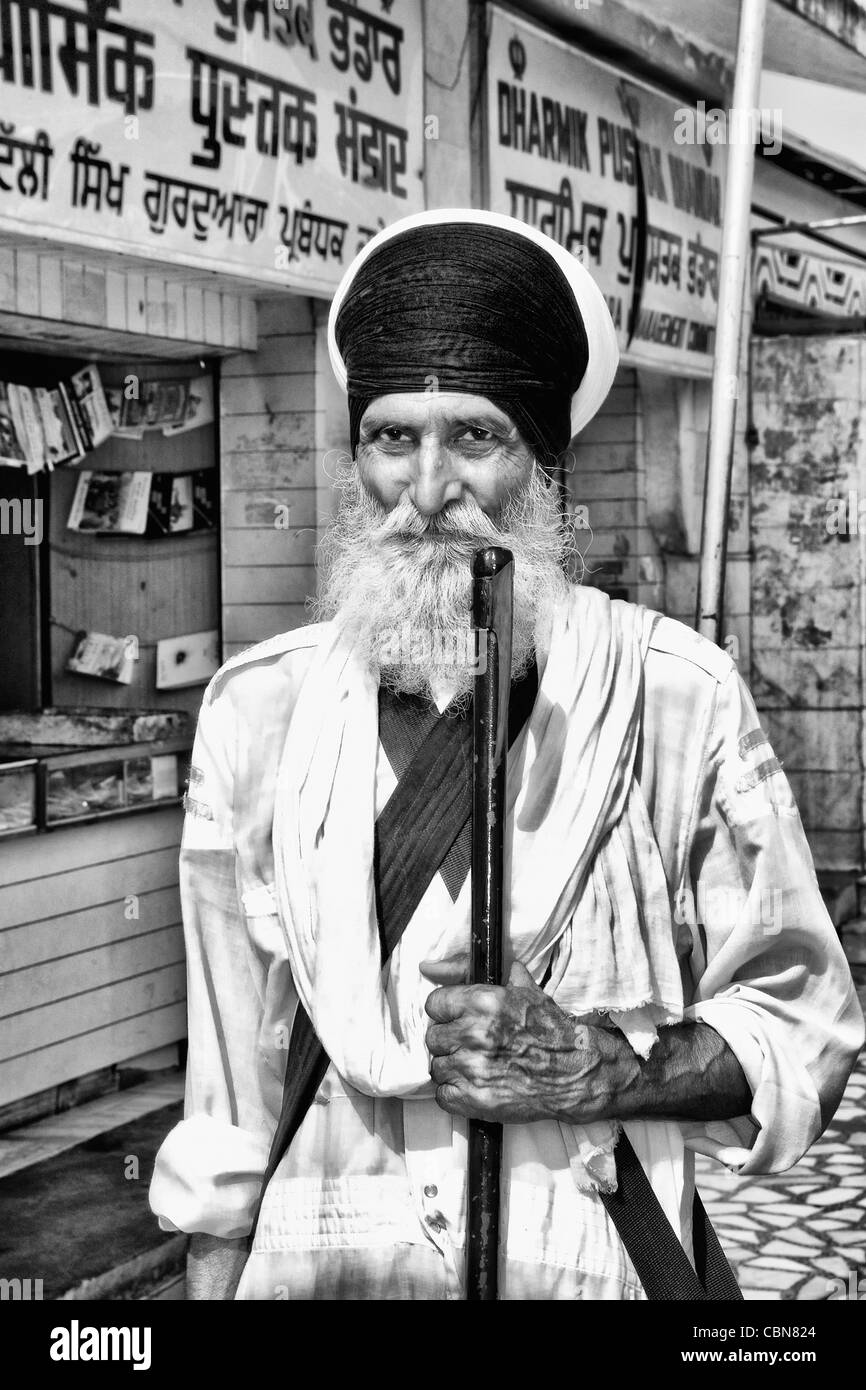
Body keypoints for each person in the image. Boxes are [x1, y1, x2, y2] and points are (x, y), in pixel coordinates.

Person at [149, 209, 864, 1301]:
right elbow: (232, 1077)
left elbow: (802, 1017)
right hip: (322, 1273)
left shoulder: (671, 694)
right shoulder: (260, 709)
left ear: (543, 466)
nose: (428, 489)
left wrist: (600, 1065)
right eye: (392, 437)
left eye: (474, 436)